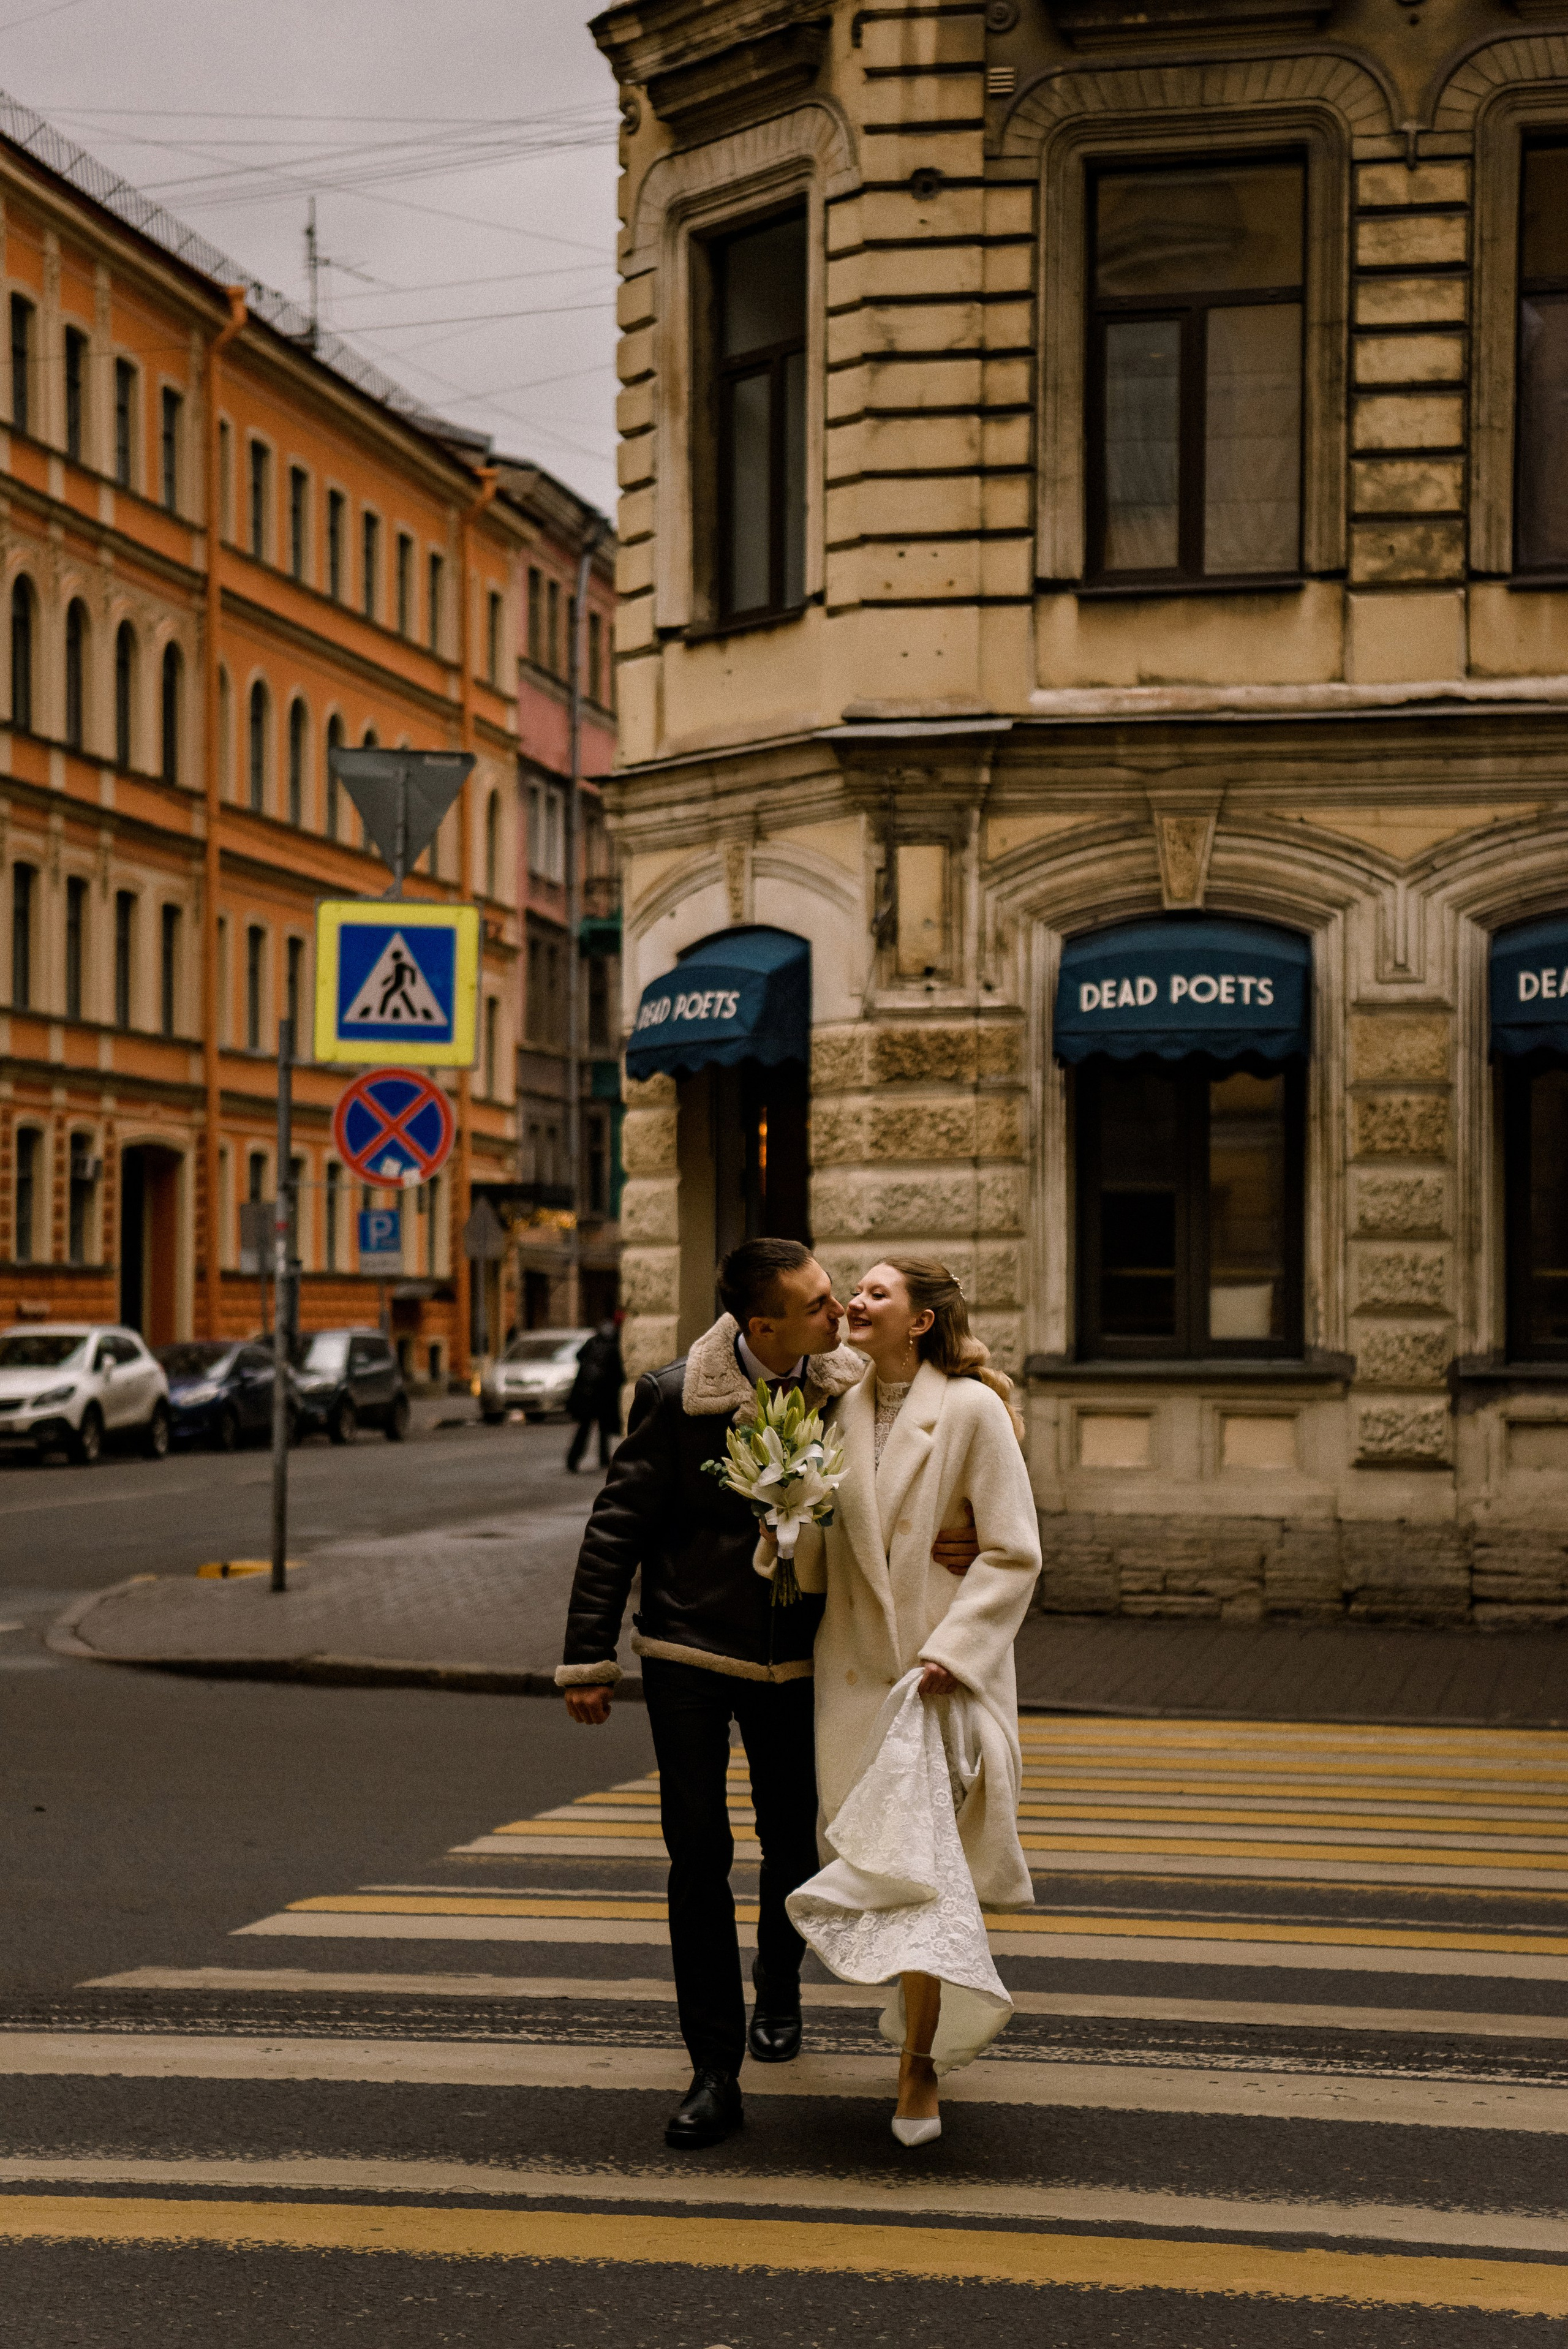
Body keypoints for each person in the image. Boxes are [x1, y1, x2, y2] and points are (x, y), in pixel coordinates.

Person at [556, 1237, 980, 2153]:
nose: (838, 1314)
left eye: (837, 1297)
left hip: (803, 1657)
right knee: (696, 1848)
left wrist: (967, 1530)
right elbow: (616, 1524)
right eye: (819, 1303)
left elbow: (951, 1423)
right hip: (688, 1649)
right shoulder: (675, 1397)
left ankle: (777, 1983)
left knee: (793, 1834)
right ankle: (713, 2068)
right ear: (763, 1325)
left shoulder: (846, 1385)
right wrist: (589, 1655)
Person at [772, 1256, 1041, 2149]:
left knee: (926, 1873)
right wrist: (782, 1522)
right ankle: (917, 2036)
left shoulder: (969, 1410)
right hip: (853, 1677)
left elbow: (1012, 1551)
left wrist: (950, 1654)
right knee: (884, 1866)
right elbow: (821, 1562)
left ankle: (918, 2064)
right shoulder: (833, 1413)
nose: (855, 1300)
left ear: (921, 1320)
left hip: (935, 1679)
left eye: (878, 1293)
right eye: (857, 1289)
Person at [565, 1316, 624, 1473]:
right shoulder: (613, 1347)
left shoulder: (592, 1343)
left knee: (584, 1428)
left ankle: (573, 1458)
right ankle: (603, 1458)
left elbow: (579, 1356)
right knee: (603, 1429)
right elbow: (618, 1374)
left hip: (586, 1394)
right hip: (603, 1395)